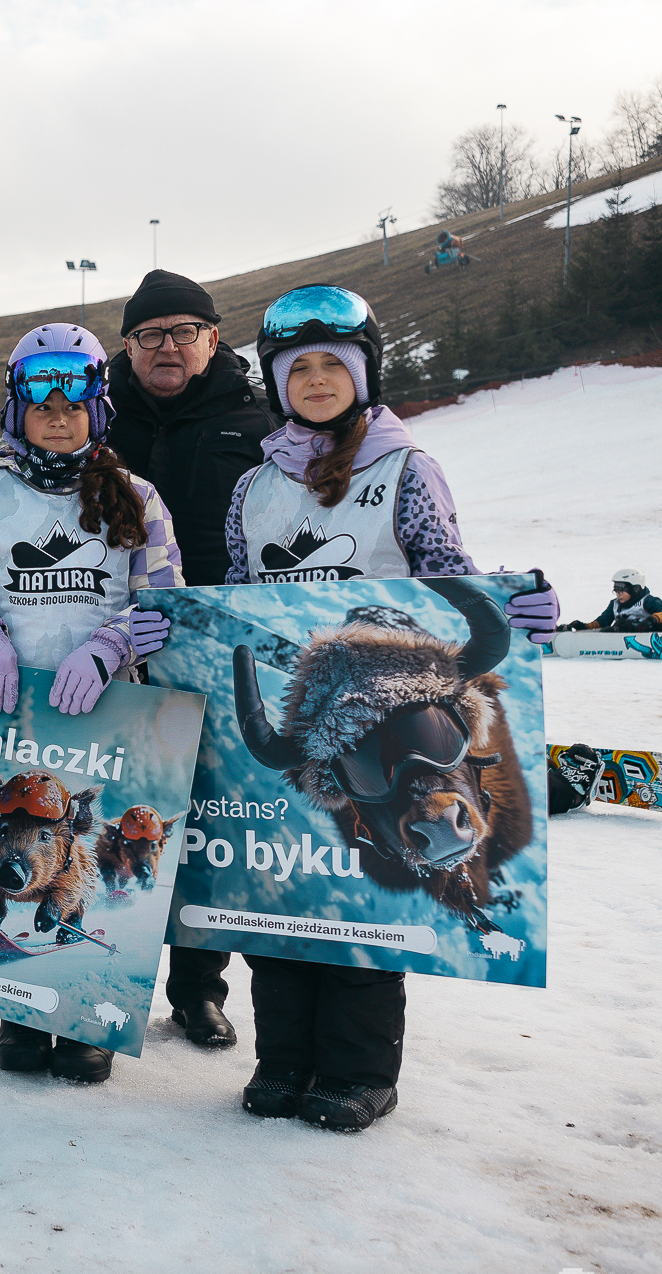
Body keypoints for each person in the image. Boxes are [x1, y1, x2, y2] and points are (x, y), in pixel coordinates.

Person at [216, 283, 558, 1131]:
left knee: (369, 906)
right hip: (320, 717)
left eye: (336, 364)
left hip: (400, 704)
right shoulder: (250, 488)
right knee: (284, 891)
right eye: (302, 368)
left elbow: (448, 570)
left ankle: (361, 1070)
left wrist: (515, 608)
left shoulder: (408, 470)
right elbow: (241, 599)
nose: (320, 380)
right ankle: (285, 1059)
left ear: (365, 373)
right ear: (277, 381)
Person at [0, 323, 182, 1083]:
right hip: (15, 715)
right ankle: (20, 1014)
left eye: (74, 401)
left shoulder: (137, 499)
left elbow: (166, 602)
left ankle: (87, 1021)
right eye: (41, 399)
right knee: (18, 856)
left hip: (105, 713)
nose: (58, 414)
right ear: (16, 409)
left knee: (80, 864)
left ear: (97, 409)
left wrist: (113, 644)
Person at [103, 269, 275, 1052]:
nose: (166, 347)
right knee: (119, 814)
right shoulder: (94, 422)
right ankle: (104, 975)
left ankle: (198, 989)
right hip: (108, 651)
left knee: (205, 823)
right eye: (149, 335)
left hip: (214, 650)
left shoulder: (261, 422)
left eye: (183, 331)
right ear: (127, 347)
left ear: (213, 338)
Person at [559, 569, 662, 632]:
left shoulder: (648, 601)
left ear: (635, 589)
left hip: (649, 633)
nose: (618, 595)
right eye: (616, 592)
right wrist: (585, 627)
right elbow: (602, 622)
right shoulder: (615, 604)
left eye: (621, 592)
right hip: (622, 635)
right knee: (618, 626)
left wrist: (652, 620)